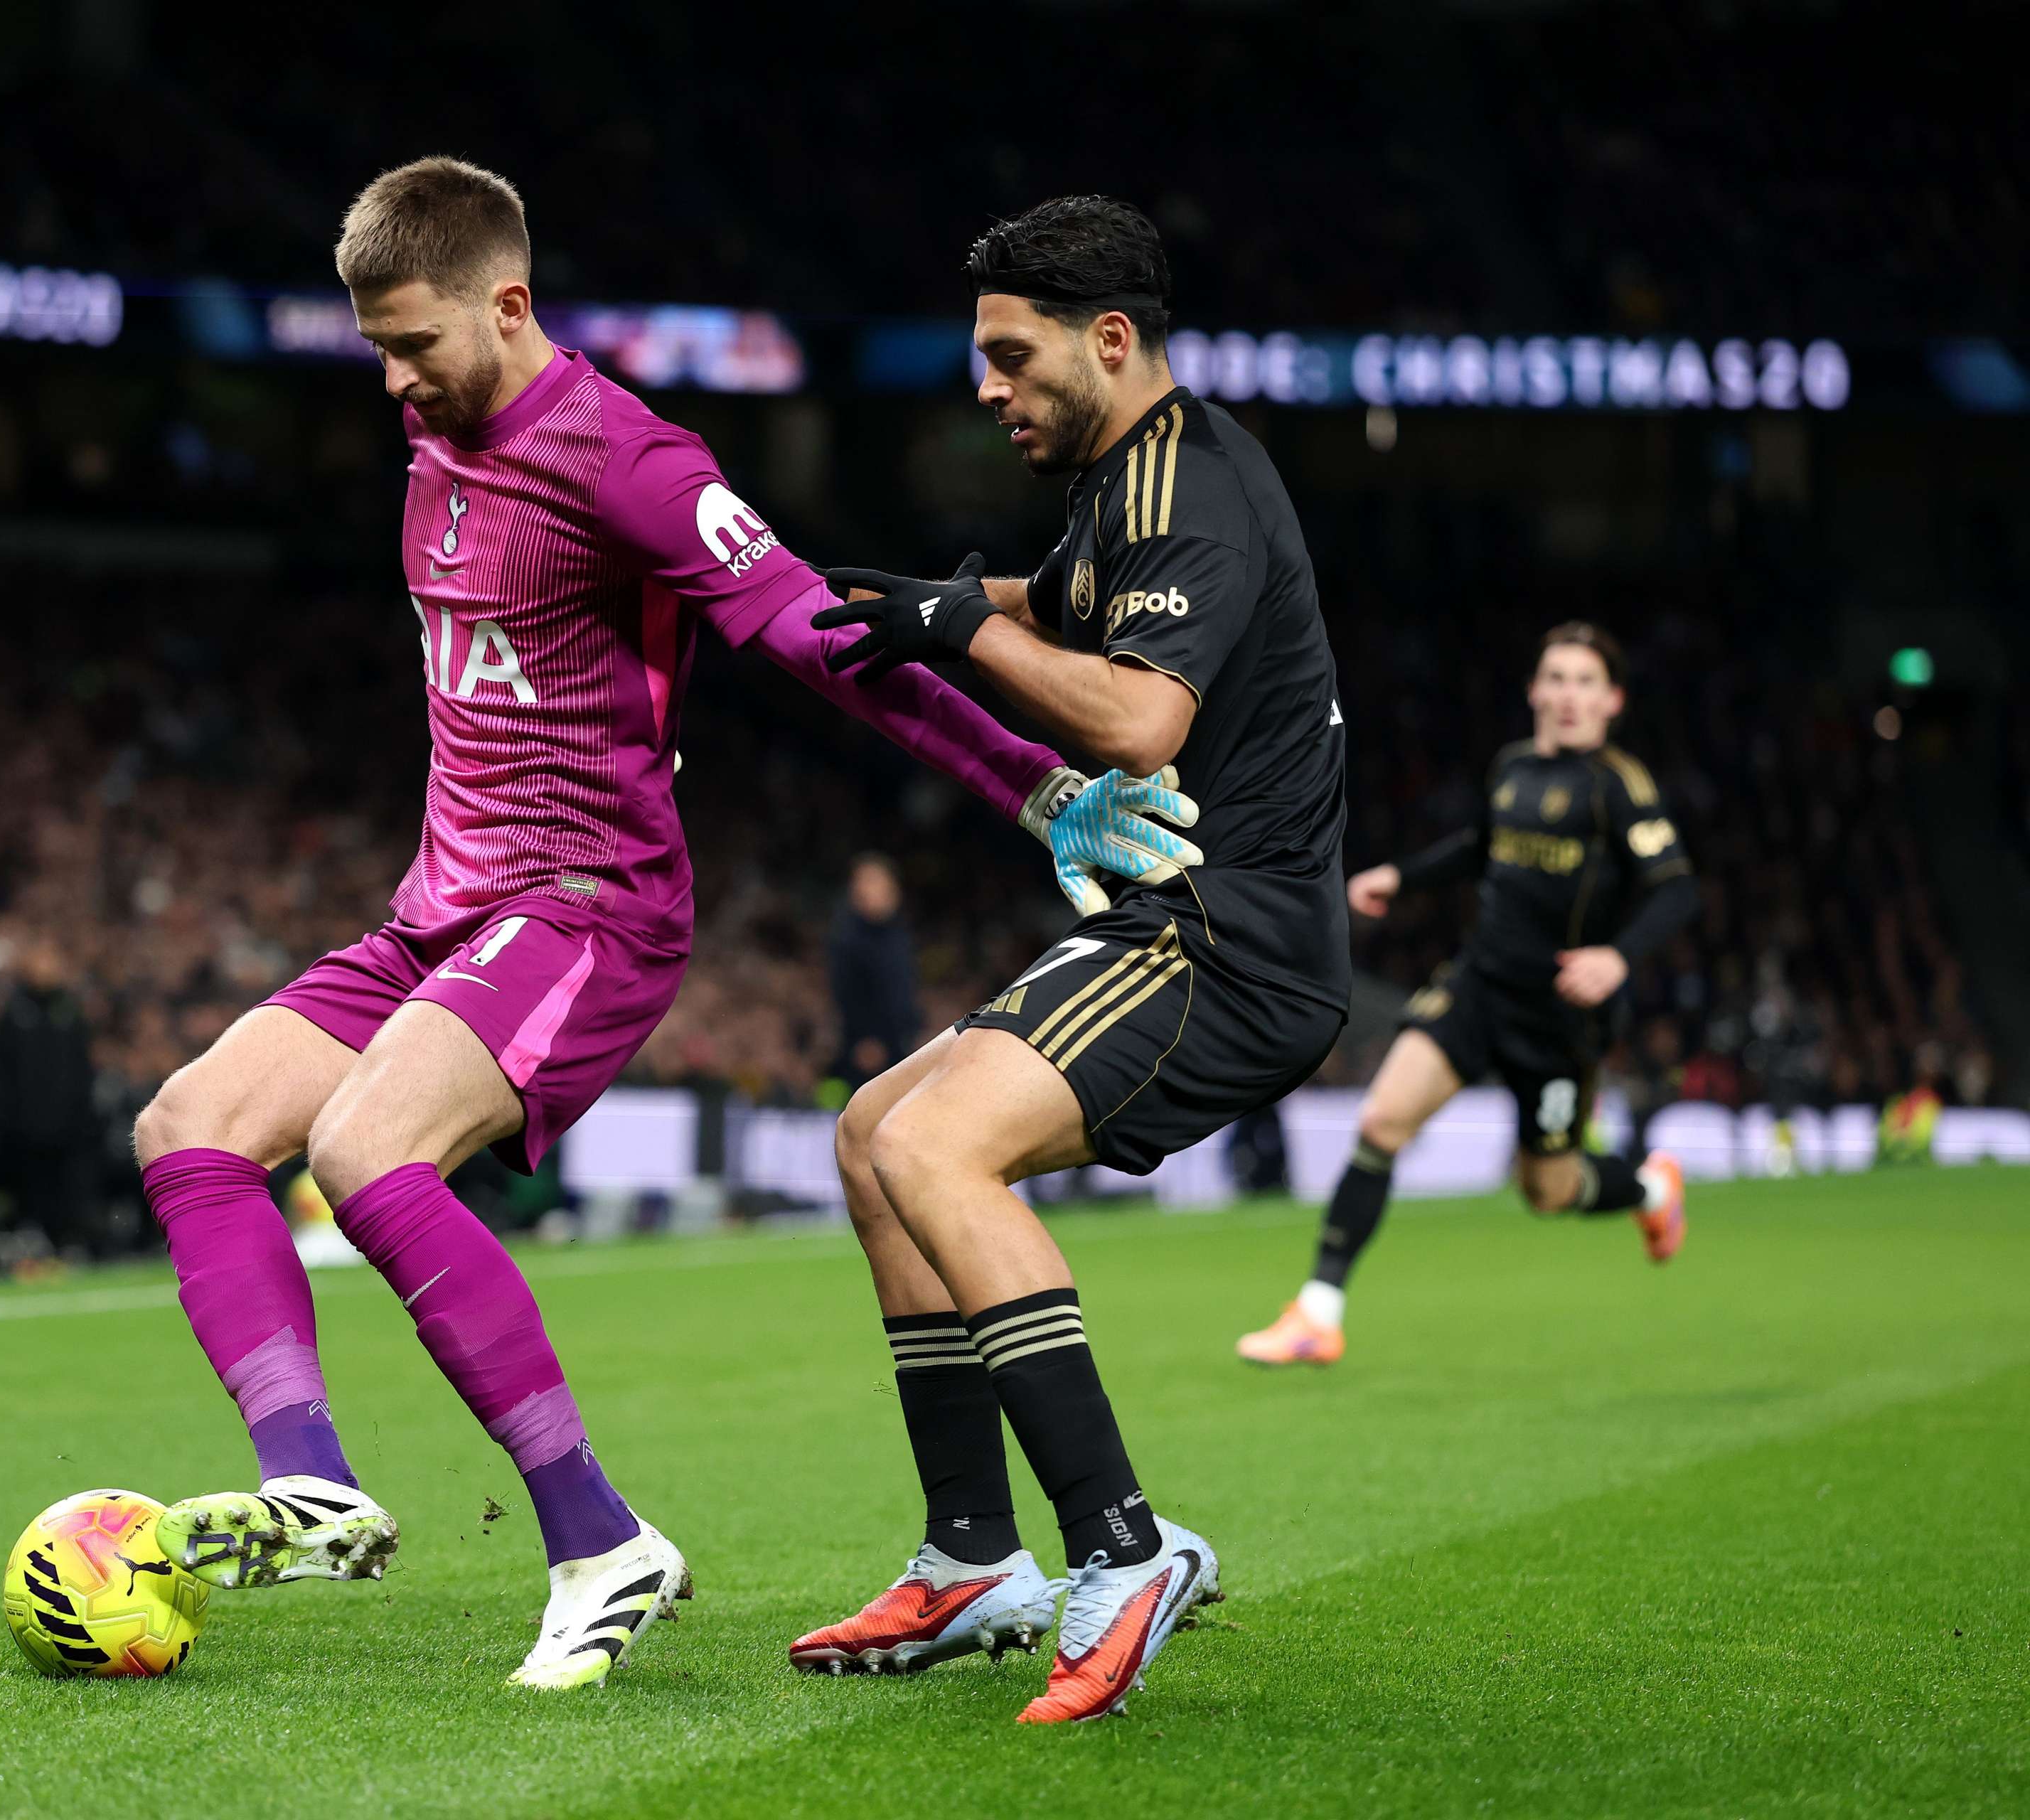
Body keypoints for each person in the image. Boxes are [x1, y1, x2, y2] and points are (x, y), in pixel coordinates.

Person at [137, 157, 1129, 1691]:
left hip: (589, 900)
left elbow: (819, 638)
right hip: (442, 906)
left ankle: (600, 1542)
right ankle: (311, 1481)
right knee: (190, 1122)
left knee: (363, 1151)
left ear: (510, 304)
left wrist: (1031, 785)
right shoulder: (433, 441)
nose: (393, 383)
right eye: (374, 350)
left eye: (415, 346)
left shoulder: (633, 462)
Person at [788, 196, 1348, 1723]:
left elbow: (1137, 718)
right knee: (870, 1139)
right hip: (1181, 921)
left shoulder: (1191, 487)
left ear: (1111, 340)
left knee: (937, 1145)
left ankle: (1121, 1543)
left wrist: (967, 625)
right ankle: (974, 1549)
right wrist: (928, 605)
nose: (987, 386)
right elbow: (1073, 610)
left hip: (1227, 938)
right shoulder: (1125, 481)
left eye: (1010, 356)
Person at [1237, 624, 1695, 1366]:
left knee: (1548, 1190)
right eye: (1557, 678)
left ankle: (1649, 1191)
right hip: (1479, 986)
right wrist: (1404, 877)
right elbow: (1481, 847)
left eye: (1586, 682)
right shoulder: (1512, 768)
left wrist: (1617, 956)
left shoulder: (1618, 786)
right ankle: (1318, 1313)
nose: (1569, 695)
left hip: (1558, 1019)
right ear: (1535, 691)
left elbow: (1676, 886)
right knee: (1383, 1118)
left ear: (1612, 701)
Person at [0, 939, 99, 1252]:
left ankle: (71, 1244)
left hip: (69, 1126)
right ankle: (34, 1244)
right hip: (26, 1128)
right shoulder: (14, 1012)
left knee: (68, 1189)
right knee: (31, 1189)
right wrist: (7, 1119)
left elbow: (82, 1067)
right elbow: (2, 1070)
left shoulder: (70, 1010)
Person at [826, 854, 920, 1088]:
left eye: (875, 882)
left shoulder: (899, 935)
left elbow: (904, 993)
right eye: (862, 882)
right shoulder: (847, 938)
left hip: (900, 1043)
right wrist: (867, 1038)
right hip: (865, 1047)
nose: (867, 890)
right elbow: (847, 994)